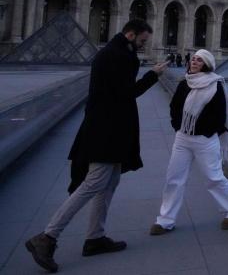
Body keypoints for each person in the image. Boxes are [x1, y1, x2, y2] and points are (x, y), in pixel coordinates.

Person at [25, 19, 169, 273]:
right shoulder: (119, 56)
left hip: (106, 129)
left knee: (110, 181)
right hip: (107, 132)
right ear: (131, 34)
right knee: (93, 183)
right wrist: (152, 75)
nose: (144, 45)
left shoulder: (112, 53)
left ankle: (95, 237)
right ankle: (47, 237)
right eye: (143, 41)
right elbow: (127, 93)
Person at [150, 49, 228, 235]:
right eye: (193, 59)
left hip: (205, 139)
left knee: (214, 177)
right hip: (183, 136)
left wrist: (207, 131)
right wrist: (177, 125)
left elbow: (220, 114)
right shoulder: (185, 82)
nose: (194, 62)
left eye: (199, 60)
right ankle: (165, 220)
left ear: (207, 65)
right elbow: (174, 106)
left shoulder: (215, 84)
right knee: (173, 178)